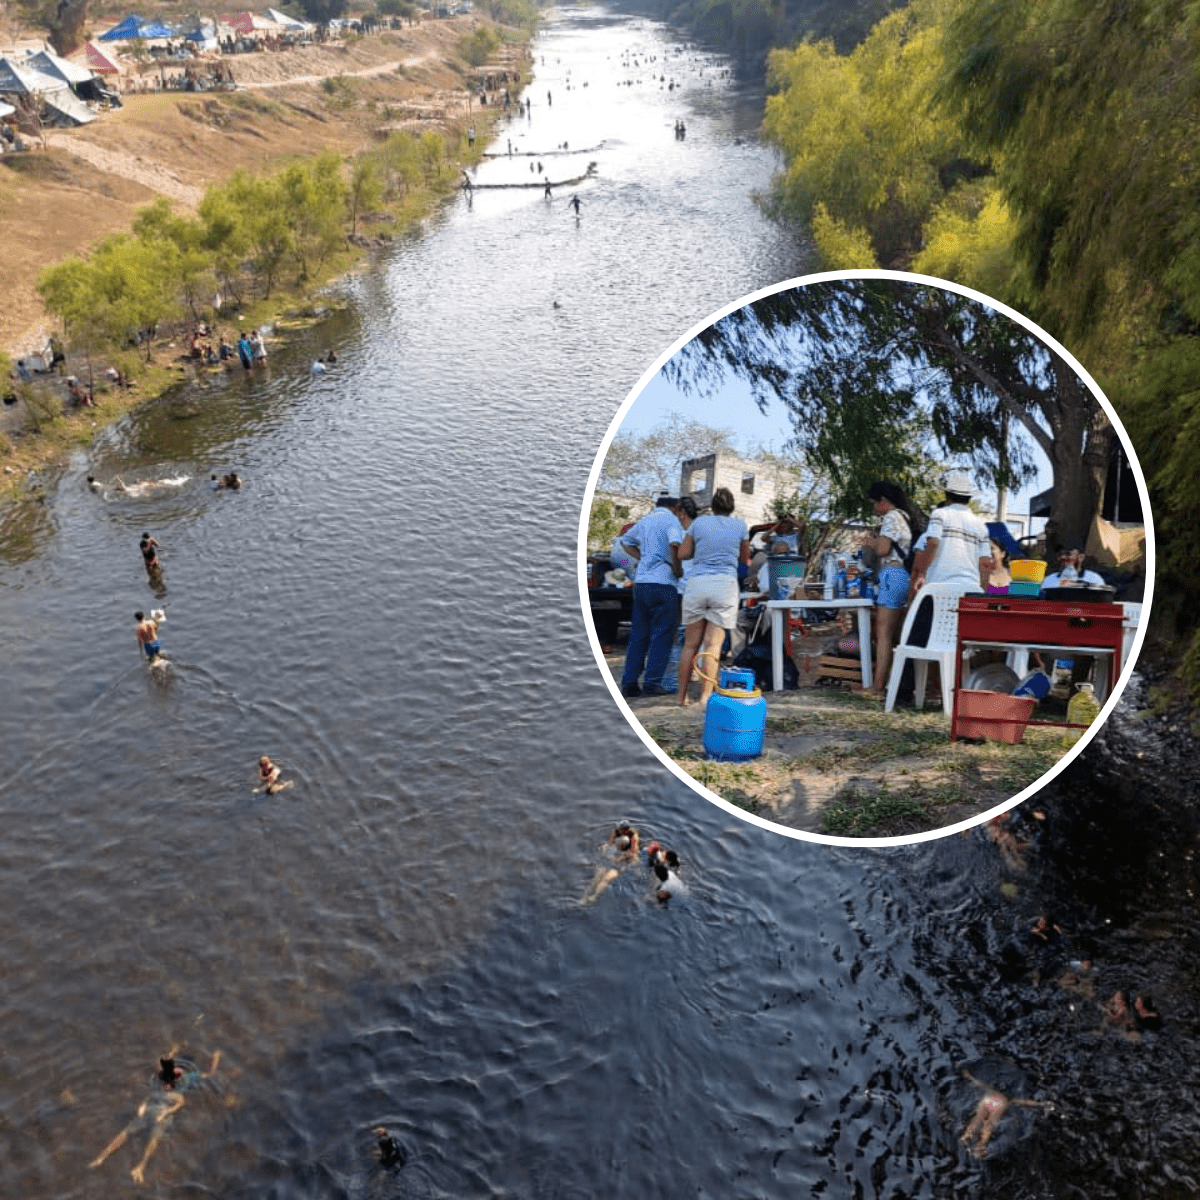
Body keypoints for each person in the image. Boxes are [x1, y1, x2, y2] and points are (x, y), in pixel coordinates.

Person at [90, 1047, 220, 1183]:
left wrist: (165, 1113)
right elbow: (160, 1067)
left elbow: (182, 1102)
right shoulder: (172, 1073)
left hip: (164, 1112)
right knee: (126, 1132)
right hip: (152, 1105)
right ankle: (101, 1158)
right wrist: (144, 1104)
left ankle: (140, 1167)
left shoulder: (187, 1078)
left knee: (153, 1140)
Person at [676, 486, 750, 708]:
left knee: (690, 645)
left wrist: (703, 549)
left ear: (713, 506)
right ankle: (705, 697)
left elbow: (683, 554)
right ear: (732, 506)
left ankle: (681, 698)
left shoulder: (699, 523)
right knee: (713, 646)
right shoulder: (740, 525)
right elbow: (745, 559)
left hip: (697, 584)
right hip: (724, 586)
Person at [904, 471, 991, 650]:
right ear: (969, 498)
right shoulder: (980, 525)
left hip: (937, 590)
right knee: (955, 647)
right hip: (968, 593)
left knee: (917, 643)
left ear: (947, 496)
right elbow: (984, 562)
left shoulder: (940, 514)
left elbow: (933, 542)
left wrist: (921, 574)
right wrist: (981, 590)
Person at [859, 481, 924, 694]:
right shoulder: (906, 517)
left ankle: (877, 686)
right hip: (904, 576)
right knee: (895, 633)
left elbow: (883, 550)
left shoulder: (891, 517)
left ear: (883, 501)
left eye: (874, 503)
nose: (873, 508)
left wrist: (870, 542)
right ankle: (891, 683)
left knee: (883, 633)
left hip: (892, 574)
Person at [619, 496, 686, 698]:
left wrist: (642, 557)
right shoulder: (671, 521)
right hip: (663, 583)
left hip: (642, 583)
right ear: (674, 507)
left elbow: (625, 541)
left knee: (639, 634)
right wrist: (677, 567)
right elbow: (675, 544)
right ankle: (652, 682)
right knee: (661, 635)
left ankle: (629, 682)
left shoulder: (645, 520)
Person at [959, 1069, 1051, 1158]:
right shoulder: (1011, 1097)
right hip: (1001, 1102)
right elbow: (1024, 1102)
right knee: (989, 1124)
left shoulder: (993, 1088)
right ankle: (979, 1146)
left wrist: (970, 1077)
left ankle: (966, 1136)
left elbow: (981, 1085)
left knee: (978, 1118)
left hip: (990, 1096)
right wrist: (1041, 1104)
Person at [582, 822, 640, 904]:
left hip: (621, 863)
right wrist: (606, 850)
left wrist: (622, 858)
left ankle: (594, 896)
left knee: (606, 879)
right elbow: (609, 844)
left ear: (627, 830)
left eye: (622, 830)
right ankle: (584, 897)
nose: (620, 831)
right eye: (620, 829)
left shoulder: (633, 836)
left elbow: (633, 852)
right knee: (596, 878)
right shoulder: (616, 833)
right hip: (613, 860)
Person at [1041, 543, 1105, 590]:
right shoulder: (1049, 580)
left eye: (1068, 554)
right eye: (1060, 554)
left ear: (1081, 557)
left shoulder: (1094, 580)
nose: (1063, 557)